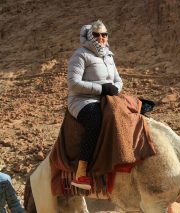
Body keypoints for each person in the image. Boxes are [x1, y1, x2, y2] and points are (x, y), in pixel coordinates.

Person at [67, 20, 123, 190]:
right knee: (95, 120)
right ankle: (81, 173)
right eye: (97, 34)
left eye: (104, 34)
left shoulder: (108, 56)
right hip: (82, 100)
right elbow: (73, 83)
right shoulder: (81, 55)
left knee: (132, 113)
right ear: (90, 36)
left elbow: (118, 80)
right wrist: (101, 89)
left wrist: (115, 89)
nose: (101, 38)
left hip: (106, 98)